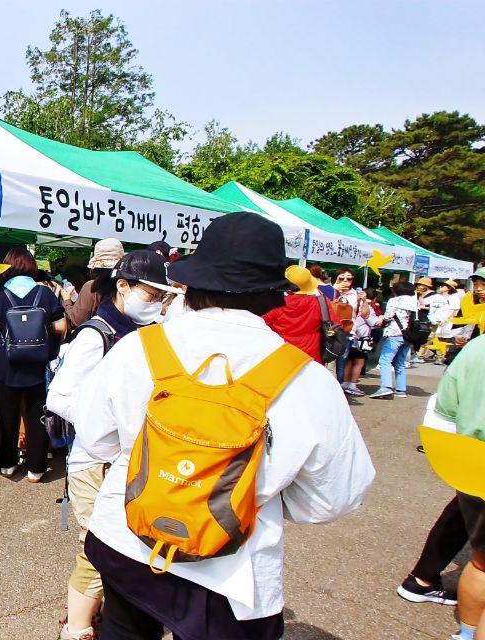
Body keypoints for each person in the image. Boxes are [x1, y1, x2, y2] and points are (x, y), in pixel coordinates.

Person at [72, 212, 375, 639]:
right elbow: (334, 498)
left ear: (191, 284)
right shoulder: (306, 378)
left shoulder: (138, 348)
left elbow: (96, 440)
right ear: (274, 294)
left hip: (128, 536)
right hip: (232, 567)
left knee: (124, 629)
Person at [46, 251, 178, 640]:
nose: (158, 303)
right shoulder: (96, 333)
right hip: (95, 460)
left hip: (130, 459)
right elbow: (59, 396)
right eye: (152, 294)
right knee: (96, 547)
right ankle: (77, 627)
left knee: (119, 546)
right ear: (123, 286)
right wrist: (109, 423)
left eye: (163, 297)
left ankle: (96, 617)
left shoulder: (146, 333)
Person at [0, 247, 65, 482]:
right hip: (38, 365)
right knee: (37, 416)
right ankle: (36, 469)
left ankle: (7, 464)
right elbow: (61, 327)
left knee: (6, 415)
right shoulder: (45, 293)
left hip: (7, 365)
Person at [427, 336, 485, 640]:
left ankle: (466, 632)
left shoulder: (477, 348)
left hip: (473, 462)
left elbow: (443, 413)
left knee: (480, 560)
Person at [261, 265, 343, 364]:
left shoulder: (276, 304)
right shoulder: (321, 302)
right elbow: (336, 325)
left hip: (282, 355)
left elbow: (262, 326)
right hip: (311, 357)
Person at [370, 280, 420, 399]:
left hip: (394, 333)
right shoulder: (415, 302)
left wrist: (381, 318)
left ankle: (386, 387)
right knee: (400, 363)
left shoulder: (394, 300)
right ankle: (401, 389)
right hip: (408, 335)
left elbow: (388, 316)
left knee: (385, 361)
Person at [62, 238, 124, 329]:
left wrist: (67, 301)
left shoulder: (92, 286)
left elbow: (77, 321)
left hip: (99, 338)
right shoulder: (128, 285)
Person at [341, 288, 381, 396]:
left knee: (349, 361)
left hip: (351, 336)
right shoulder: (368, 308)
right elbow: (373, 323)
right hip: (361, 339)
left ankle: (345, 383)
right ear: (374, 299)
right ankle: (352, 385)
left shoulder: (355, 306)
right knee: (359, 362)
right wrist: (381, 318)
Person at [445, 269, 485, 366]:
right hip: (470, 357)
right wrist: (459, 338)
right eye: (475, 285)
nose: (479, 289)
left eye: (483, 284)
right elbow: (458, 327)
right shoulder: (470, 304)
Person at [331, 268, 359, 382]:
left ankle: (339, 388)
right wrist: (334, 290)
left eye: (349, 278)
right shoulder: (329, 289)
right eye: (342, 278)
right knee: (329, 360)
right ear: (336, 278)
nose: (346, 281)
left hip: (346, 331)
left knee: (341, 361)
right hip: (330, 329)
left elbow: (353, 310)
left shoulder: (354, 294)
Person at [424, 282, 459, 363]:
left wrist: (445, 320)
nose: (440, 287)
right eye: (439, 286)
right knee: (431, 338)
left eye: (442, 286)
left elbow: (452, 310)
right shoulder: (435, 297)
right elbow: (424, 302)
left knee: (443, 339)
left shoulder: (453, 298)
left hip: (445, 322)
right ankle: (425, 355)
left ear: (449, 288)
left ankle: (441, 357)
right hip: (433, 321)